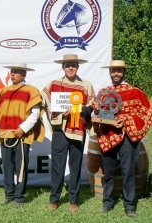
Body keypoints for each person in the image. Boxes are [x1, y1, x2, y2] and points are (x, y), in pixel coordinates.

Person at [93, 60, 152, 217]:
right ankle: (107, 202)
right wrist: (96, 110)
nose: (116, 73)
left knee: (127, 171)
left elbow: (146, 112)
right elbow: (98, 114)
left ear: (124, 72)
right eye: (113, 70)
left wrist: (125, 120)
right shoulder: (104, 92)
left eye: (119, 70)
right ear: (110, 72)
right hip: (107, 135)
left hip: (127, 136)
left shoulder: (135, 92)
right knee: (109, 172)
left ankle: (129, 205)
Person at [0, 63, 45, 208]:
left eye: (16, 72)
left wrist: (22, 129)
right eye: (12, 72)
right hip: (5, 133)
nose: (12, 74)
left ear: (24, 74)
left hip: (21, 135)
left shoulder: (32, 90)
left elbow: (35, 114)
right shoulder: (3, 90)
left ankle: (19, 197)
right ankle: (9, 194)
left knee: (20, 167)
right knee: (7, 166)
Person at [41, 54, 95, 213]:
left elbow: (91, 107)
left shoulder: (86, 85)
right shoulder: (54, 84)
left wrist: (78, 110)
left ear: (78, 67)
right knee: (57, 165)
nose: (70, 67)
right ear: (63, 67)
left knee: (75, 165)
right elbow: (44, 100)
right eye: (67, 65)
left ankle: (74, 200)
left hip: (78, 131)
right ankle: (54, 199)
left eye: (73, 65)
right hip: (59, 131)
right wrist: (56, 114)